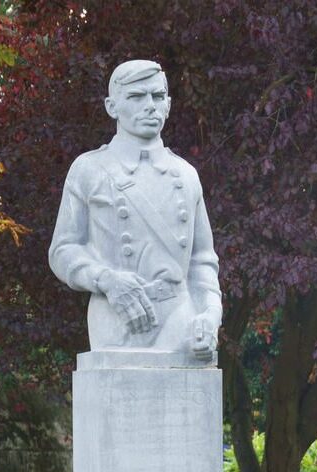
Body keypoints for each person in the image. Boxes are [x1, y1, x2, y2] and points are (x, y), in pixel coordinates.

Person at [49, 59, 222, 360]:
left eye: (157, 97)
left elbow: (202, 262)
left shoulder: (186, 175)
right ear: (111, 106)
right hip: (117, 318)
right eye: (136, 97)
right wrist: (105, 279)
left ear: (168, 105)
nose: (149, 106)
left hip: (180, 319)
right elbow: (63, 250)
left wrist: (209, 316)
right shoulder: (89, 169)